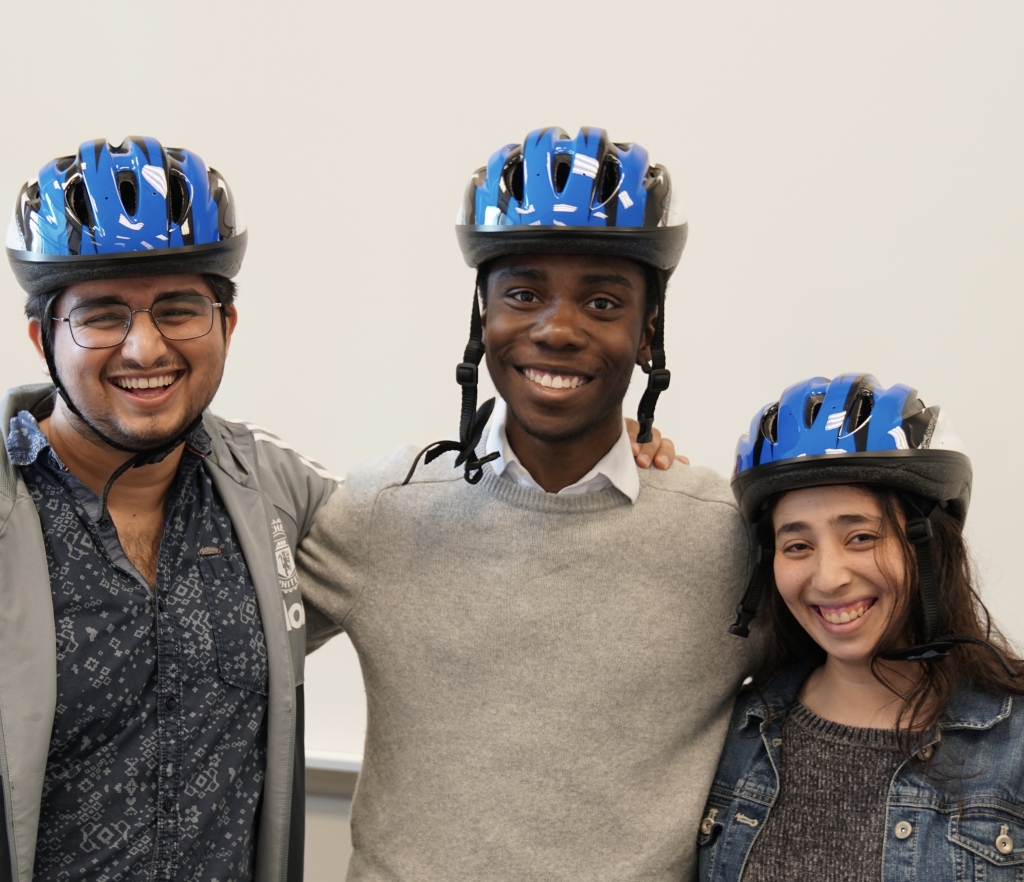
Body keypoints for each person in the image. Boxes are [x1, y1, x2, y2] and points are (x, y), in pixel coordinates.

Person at [0, 135, 675, 882]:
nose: (144, 347)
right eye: (100, 316)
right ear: (42, 339)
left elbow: (440, 512)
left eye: (179, 308)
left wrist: (602, 439)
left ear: (226, 324)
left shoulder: (274, 496)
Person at [298, 126, 757, 881]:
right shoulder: (384, 511)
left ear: (648, 336)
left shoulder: (724, 537)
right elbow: (220, 644)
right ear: (483, 317)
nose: (557, 329)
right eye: (523, 294)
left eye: (602, 302)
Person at [698, 373, 1024, 882]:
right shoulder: (734, 732)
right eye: (797, 546)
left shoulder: (1015, 741)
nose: (828, 578)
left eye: (861, 537)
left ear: (928, 544)